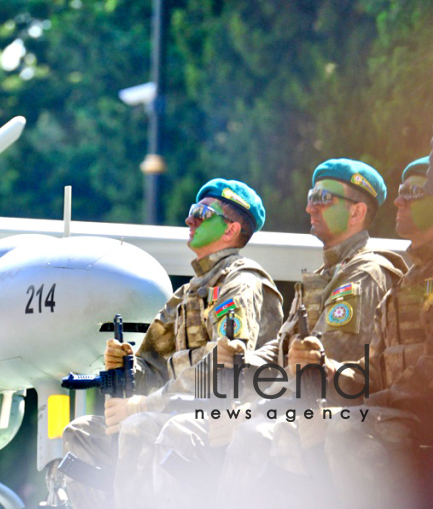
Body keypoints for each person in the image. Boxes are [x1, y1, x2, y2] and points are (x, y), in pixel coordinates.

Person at [150, 158, 407, 509]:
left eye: (322, 198)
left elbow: (317, 367)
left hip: (327, 414)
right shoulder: (326, 273)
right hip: (293, 406)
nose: (309, 206)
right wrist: (239, 362)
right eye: (310, 196)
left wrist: (248, 404)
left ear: (357, 212)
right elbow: (280, 351)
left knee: (244, 432)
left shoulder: (365, 274)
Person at [216, 156, 433, 509]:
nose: (399, 200)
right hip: (379, 414)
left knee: (298, 428)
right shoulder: (405, 282)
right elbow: (371, 371)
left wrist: (352, 403)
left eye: (412, 192)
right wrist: (245, 362)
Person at [61, 178, 284, 509]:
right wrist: (125, 367)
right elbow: (151, 368)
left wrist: (143, 406)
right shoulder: (187, 295)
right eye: (192, 211)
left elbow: (223, 369)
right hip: (171, 413)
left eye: (201, 213)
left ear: (231, 230)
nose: (189, 219)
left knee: (139, 427)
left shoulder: (241, 284)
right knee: (81, 433)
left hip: (222, 420)